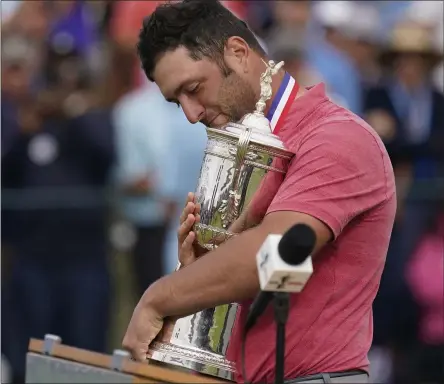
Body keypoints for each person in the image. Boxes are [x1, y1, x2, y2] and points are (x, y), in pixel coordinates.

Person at [122, 1, 396, 383]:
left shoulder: (338, 138)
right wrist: (199, 271)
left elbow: (271, 257)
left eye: (193, 88)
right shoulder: (239, 151)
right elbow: (270, 280)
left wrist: (158, 298)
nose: (190, 113)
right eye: (176, 100)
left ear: (237, 52)